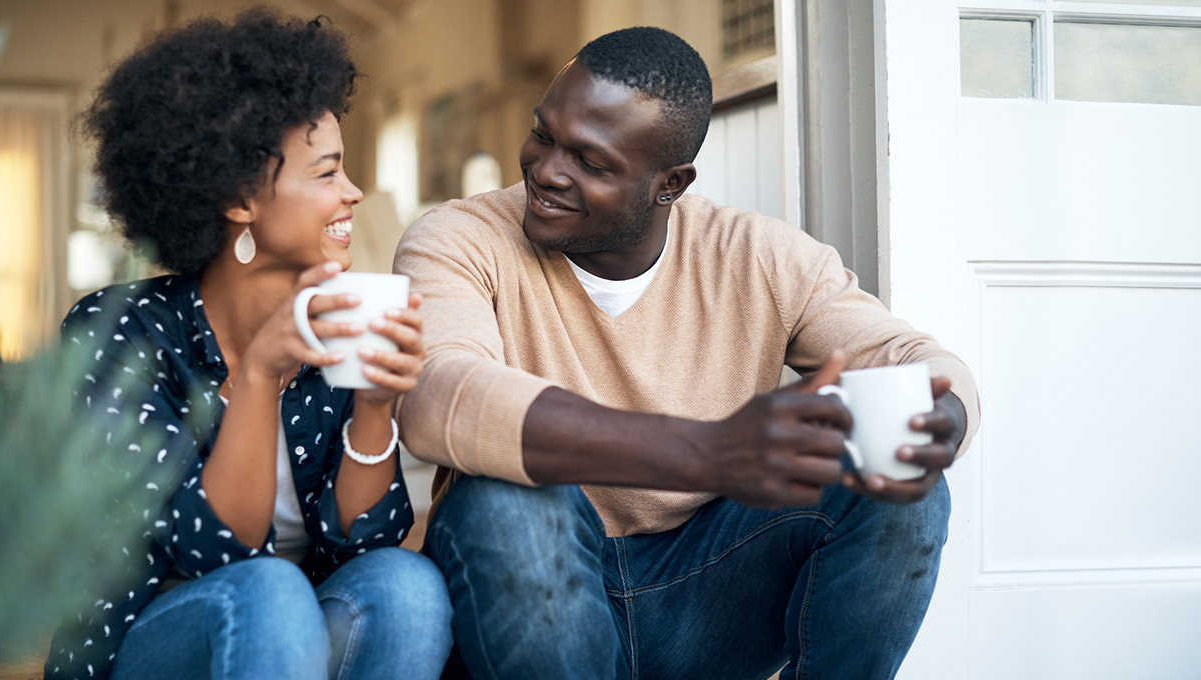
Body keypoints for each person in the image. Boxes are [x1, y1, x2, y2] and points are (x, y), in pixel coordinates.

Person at [393, 27, 979, 680]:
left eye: (590, 161)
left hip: (706, 596)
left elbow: (918, 359)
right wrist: (710, 450)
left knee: (900, 480)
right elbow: (438, 395)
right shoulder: (457, 238)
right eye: (544, 134)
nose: (547, 169)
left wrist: (939, 420)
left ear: (669, 183)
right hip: (532, 586)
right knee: (504, 497)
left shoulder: (757, 254)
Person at [48, 11, 451, 680]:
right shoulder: (121, 333)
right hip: (154, 644)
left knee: (405, 586)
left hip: (290, 641)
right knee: (269, 590)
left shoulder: (336, 327)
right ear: (240, 199)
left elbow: (364, 545)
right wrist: (261, 375)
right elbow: (212, 554)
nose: (352, 192)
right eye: (327, 173)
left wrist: (376, 404)